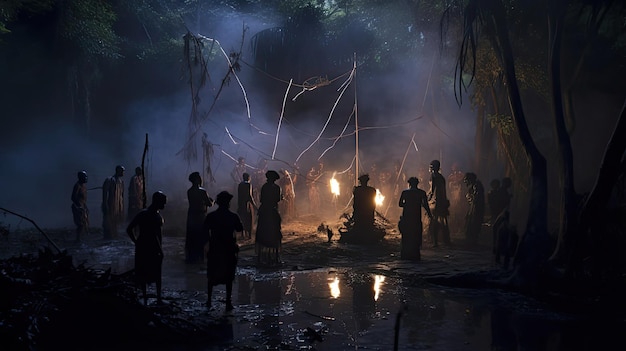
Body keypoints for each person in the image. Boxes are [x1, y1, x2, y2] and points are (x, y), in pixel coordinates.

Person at [204, 191, 243, 311]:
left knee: (212, 274)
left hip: (215, 248)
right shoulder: (233, 216)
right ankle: (228, 302)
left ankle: (209, 300)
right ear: (228, 203)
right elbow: (240, 228)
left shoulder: (211, 216)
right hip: (229, 248)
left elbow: (204, 231)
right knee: (229, 276)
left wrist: (207, 245)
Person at [126, 191, 167, 305]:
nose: (164, 205)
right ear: (157, 201)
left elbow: (129, 229)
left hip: (142, 247)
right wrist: (160, 250)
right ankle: (158, 298)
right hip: (153, 248)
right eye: (163, 203)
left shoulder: (143, 214)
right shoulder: (154, 216)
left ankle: (145, 298)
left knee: (144, 271)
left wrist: (136, 242)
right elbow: (155, 236)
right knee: (156, 273)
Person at [398, 177, 433, 261]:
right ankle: (415, 255)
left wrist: (408, 205)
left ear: (409, 184)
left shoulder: (405, 192)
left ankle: (405, 255)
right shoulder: (421, 193)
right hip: (416, 217)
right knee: (415, 235)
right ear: (417, 184)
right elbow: (425, 205)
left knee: (406, 235)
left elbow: (400, 204)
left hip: (407, 216)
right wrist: (429, 214)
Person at [186, 171, 214, 263]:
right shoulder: (202, 191)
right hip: (201, 216)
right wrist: (213, 201)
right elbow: (209, 204)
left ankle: (192, 256)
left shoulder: (189, 191)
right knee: (202, 236)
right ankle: (201, 256)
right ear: (197, 180)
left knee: (192, 236)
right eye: (200, 178)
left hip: (192, 215)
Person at [255, 170, 282, 264]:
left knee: (262, 230)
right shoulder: (277, 188)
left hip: (264, 210)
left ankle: (261, 255)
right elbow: (278, 199)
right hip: (273, 210)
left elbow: (261, 199)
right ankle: (275, 255)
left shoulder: (264, 187)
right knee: (275, 229)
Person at [427, 160, 451, 246]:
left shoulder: (433, 176)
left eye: (430, 166)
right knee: (443, 221)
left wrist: (428, 198)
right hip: (442, 201)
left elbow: (432, 189)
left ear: (433, 167)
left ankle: (435, 241)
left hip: (436, 202)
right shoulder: (441, 177)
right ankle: (446, 240)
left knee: (434, 221)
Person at [102, 165, 125, 239]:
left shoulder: (121, 182)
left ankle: (114, 234)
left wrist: (121, 205)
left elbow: (121, 194)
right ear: (118, 171)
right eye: (122, 171)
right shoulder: (110, 180)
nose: (123, 173)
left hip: (118, 204)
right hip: (111, 204)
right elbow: (105, 192)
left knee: (116, 220)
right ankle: (107, 235)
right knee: (108, 220)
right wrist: (105, 204)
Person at [463, 172, 485, 245]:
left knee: (474, 223)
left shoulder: (477, 186)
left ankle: (473, 241)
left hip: (476, 208)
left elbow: (476, 198)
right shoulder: (474, 186)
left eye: (466, 180)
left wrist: (469, 197)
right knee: (471, 222)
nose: (465, 181)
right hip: (474, 207)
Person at [71, 170, 89, 242]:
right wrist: (79, 206)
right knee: (80, 224)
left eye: (86, 177)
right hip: (77, 208)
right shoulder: (77, 186)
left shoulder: (83, 186)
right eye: (85, 177)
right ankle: (78, 238)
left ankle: (81, 237)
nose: (86, 178)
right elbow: (73, 197)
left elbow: (83, 199)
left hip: (83, 207)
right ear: (80, 177)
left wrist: (85, 207)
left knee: (84, 223)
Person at [237, 172, 256, 239]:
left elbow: (239, 196)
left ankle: (243, 234)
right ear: (248, 178)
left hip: (241, 204)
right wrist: (254, 205)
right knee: (249, 219)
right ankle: (250, 235)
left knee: (242, 219)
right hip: (247, 204)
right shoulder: (248, 185)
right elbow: (250, 196)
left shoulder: (240, 185)